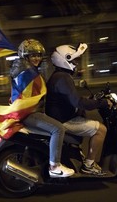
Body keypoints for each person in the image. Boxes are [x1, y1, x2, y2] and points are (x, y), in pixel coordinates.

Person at [10, 39, 75, 178]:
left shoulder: (24, 68)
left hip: (26, 111)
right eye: (33, 55)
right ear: (25, 56)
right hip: (29, 113)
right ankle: (55, 166)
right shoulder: (27, 72)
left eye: (38, 55)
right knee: (58, 129)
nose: (36, 58)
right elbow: (29, 95)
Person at [45, 43, 113, 175]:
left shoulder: (60, 76)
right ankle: (89, 165)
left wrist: (90, 101)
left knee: (87, 119)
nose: (76, 63)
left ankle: (78, 154)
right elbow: (78, 102)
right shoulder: (62, 78)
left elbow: (71, 98)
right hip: (63, 120)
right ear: (65, 59)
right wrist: (102, 103)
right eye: (73, 60)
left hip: (62, 116)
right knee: (101, 129)